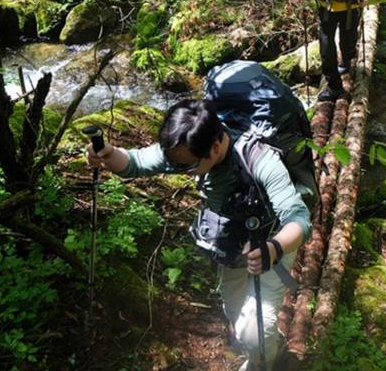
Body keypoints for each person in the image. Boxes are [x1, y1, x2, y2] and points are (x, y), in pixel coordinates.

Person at [87, 99, 312, 371]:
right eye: (178, 165)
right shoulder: (188, 146)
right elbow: (136, 162)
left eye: (188, 167)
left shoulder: (260, 159)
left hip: (273, 244)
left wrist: (273, 248)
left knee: (255, 334)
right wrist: (108, 154)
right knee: (238, 316)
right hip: (231, 244)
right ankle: (261, 346)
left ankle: (261, 363)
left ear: (215, 147)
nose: (182, 170)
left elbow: (298, 219)